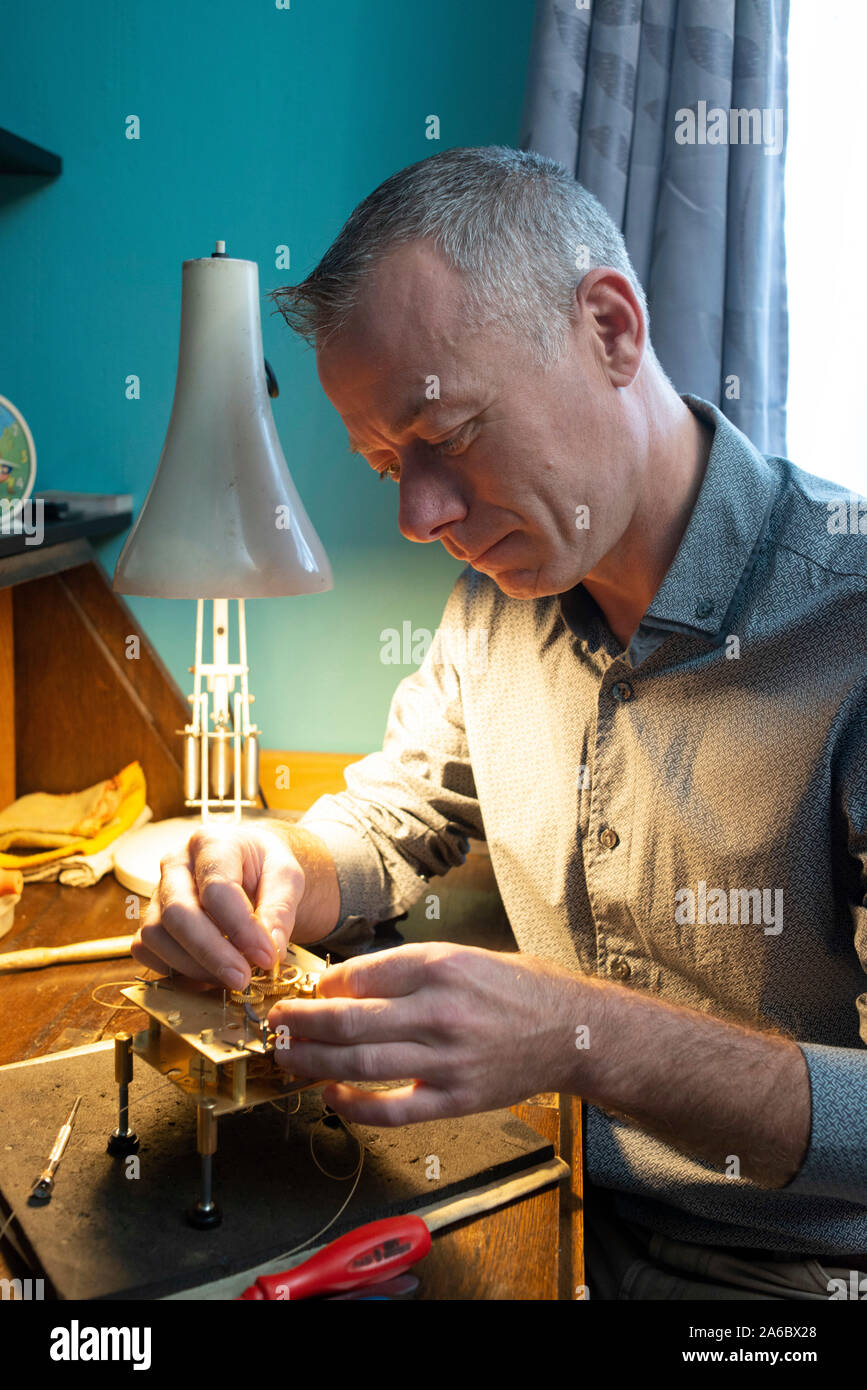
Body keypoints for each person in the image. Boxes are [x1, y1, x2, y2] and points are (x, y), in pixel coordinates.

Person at [132, 147, 867, 1299]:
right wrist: (272, 861)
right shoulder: (498, 599)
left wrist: (580, 1032)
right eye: (389, 471)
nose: (422, 515)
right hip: (552, 1209)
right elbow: (391, 819)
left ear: (612, 331)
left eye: (452, 433)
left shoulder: (853, 621)